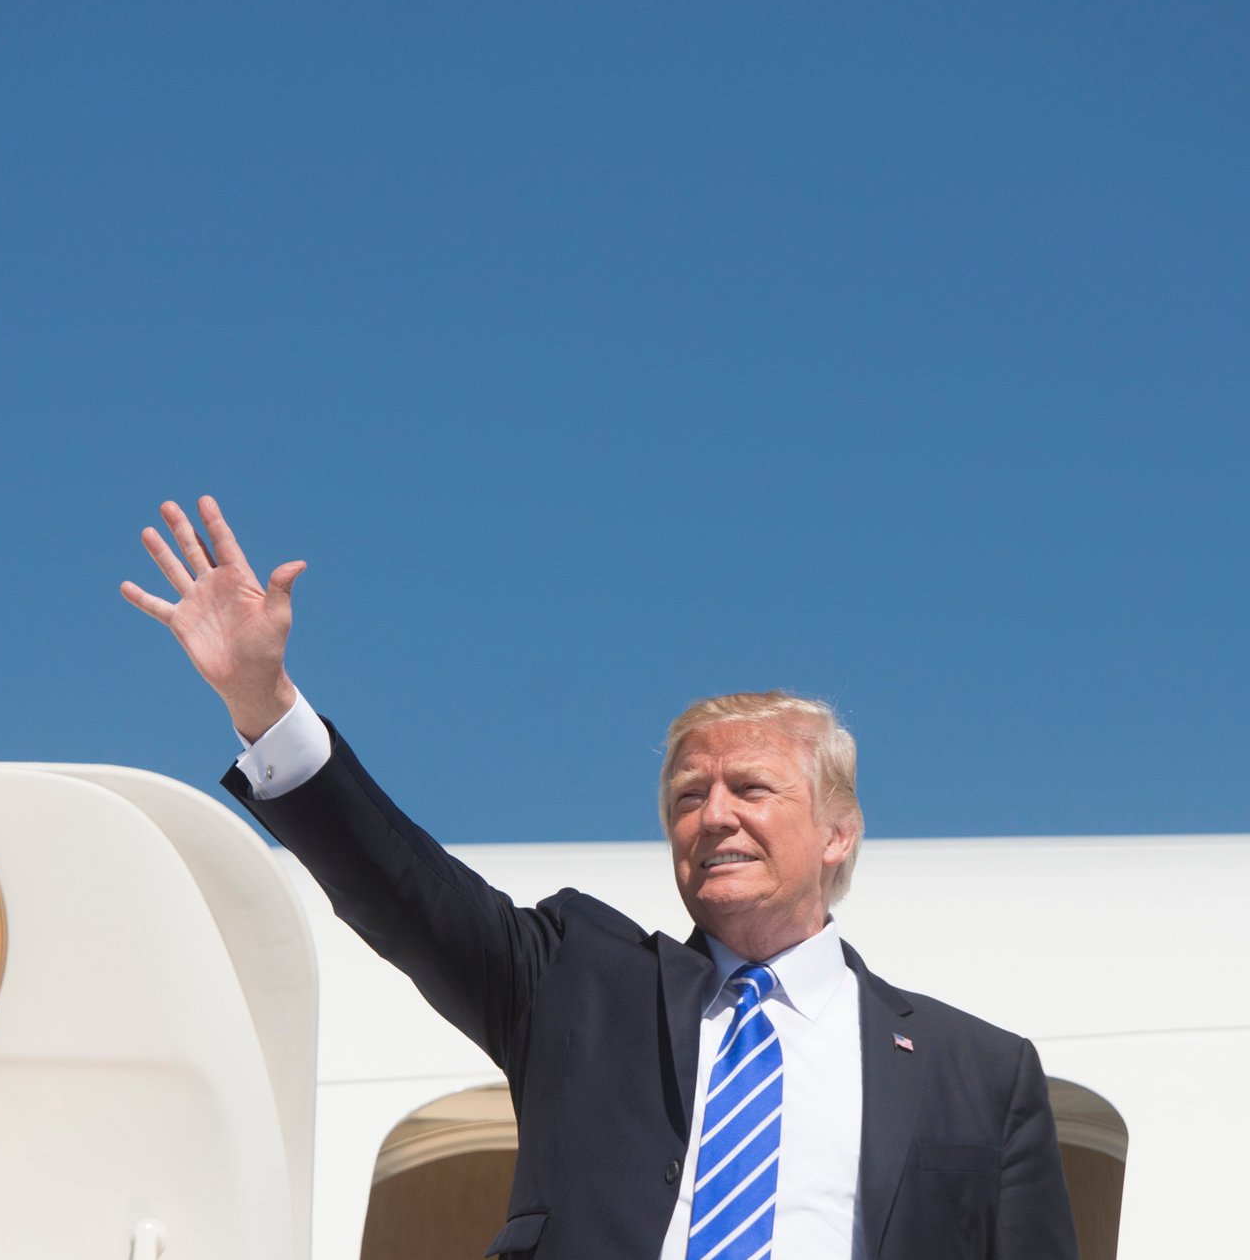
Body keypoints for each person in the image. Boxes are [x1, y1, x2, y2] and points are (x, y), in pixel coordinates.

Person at [121, 496, 1079, 1260]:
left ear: (839, 831)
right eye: (687, 794)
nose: (712, 816)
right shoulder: (578, 981)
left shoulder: (980, 1075)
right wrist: (263, 700)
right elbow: (402, 885)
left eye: (750, 787)